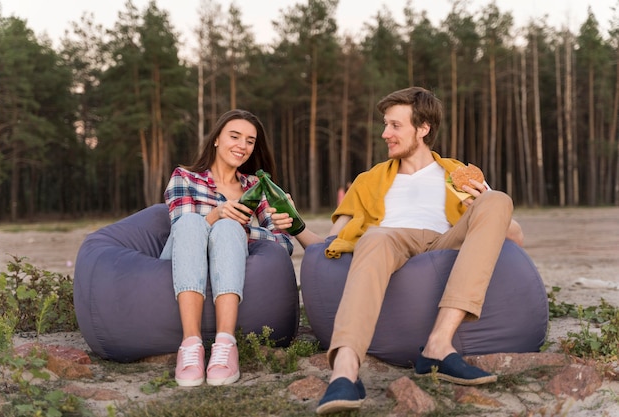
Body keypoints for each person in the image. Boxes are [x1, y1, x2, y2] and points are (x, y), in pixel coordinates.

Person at [270, 87, 524, 414]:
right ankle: (345, 372)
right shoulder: (367, 181)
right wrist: (295, 225)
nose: (384, 133)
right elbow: (328, 246)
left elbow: (514, 238)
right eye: (385, 125)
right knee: (374, 236)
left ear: (423, 128)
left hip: (445, 242)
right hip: (390, 242)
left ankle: (438, 345)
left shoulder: (458, 174)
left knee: (499, 198)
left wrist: (484, 200)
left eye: (394, 125)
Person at [160, 109, 293, 387]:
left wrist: (242, 229)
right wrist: (217, 213)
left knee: (229, 227)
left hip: (229, 256)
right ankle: (191, 344)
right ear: (217, 139)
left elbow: (283, 244)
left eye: (250, 141)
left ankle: (225, 344)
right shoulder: (184, 177)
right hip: (183, 255)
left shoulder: (258, 186)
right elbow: (182, 232)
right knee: (192, 223)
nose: (242, 146)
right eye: (234, 136)